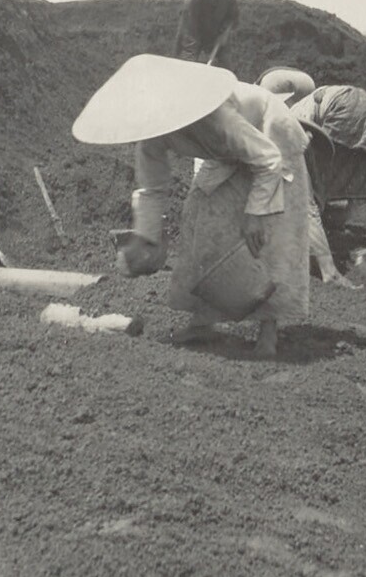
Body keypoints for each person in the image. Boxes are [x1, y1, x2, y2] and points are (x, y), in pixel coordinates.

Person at [73, 54, 311, 357]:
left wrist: (255, 213)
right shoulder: (152, 132)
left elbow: (268, 159)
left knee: (268, 233)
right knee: (198, 215)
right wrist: (145, 238)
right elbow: (151, 187)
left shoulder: (215, 116)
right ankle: (203, 321)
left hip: (271, 138)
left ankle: (268, 331)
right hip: (227, 154)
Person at [260, 67, 366, 288]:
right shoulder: (314, 97)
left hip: (340, 108)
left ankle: (320, 247)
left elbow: (302, 154)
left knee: (311, 180)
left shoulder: (294, 112)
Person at [174, 0, 238, 64]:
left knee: (225, 65)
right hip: (193, 32)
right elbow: (190, 37)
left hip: (218, 33)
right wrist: (190, 63)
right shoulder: (191, 1)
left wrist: (225, 33)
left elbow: (232, 17)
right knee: (187, 61)